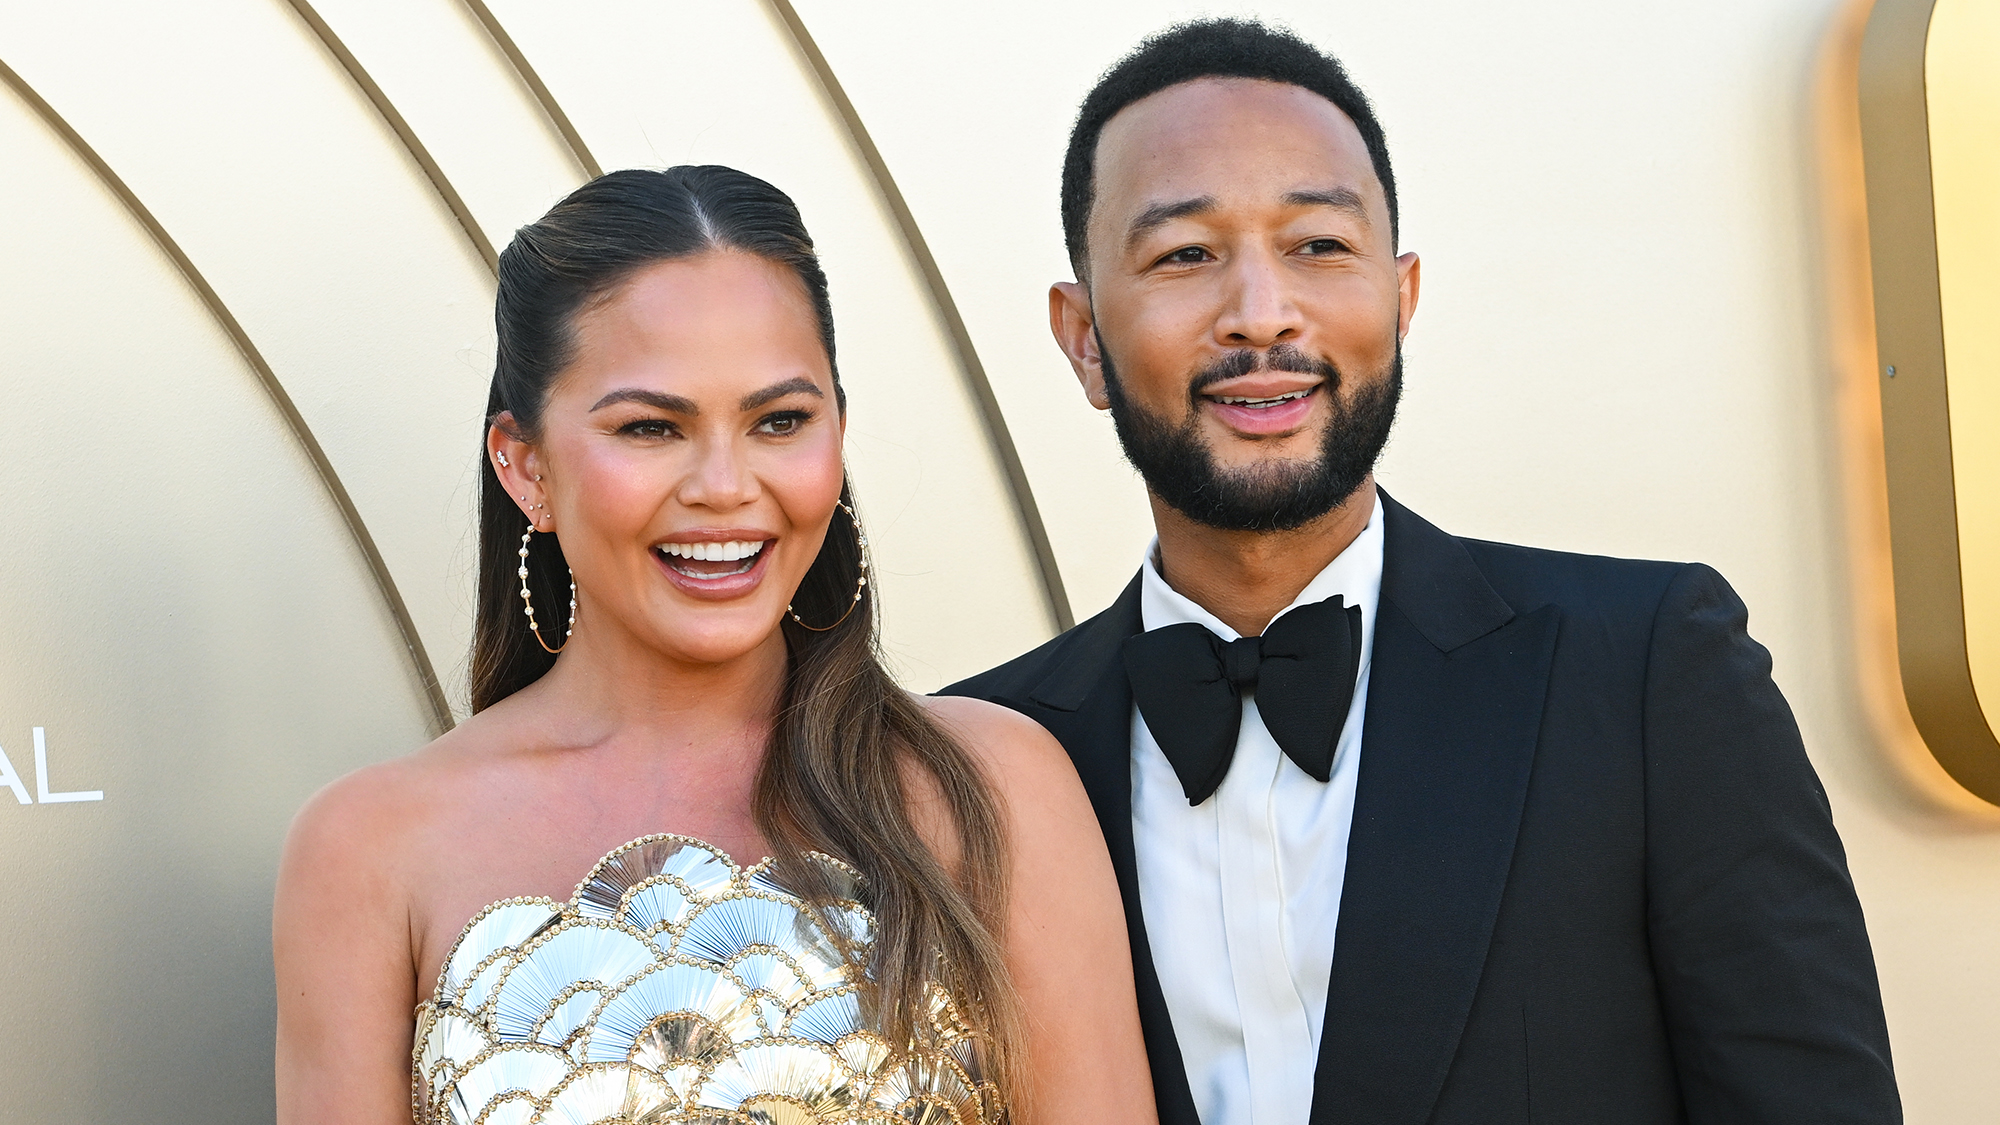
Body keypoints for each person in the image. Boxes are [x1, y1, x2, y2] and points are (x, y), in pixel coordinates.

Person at [943, 19, 1901, 1125]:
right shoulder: (975, 763)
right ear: (1081, 337)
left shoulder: (1642, 671)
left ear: (1399, 299)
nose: (1261, 314)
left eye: (1316, 246)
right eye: (1183, 255)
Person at [272, 166, 1157, 1125]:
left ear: (838, 434)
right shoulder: (368, 849)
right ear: (525, 467)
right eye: (652, 427)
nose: (726, 485)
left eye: (780, 420)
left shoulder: (995, 783)